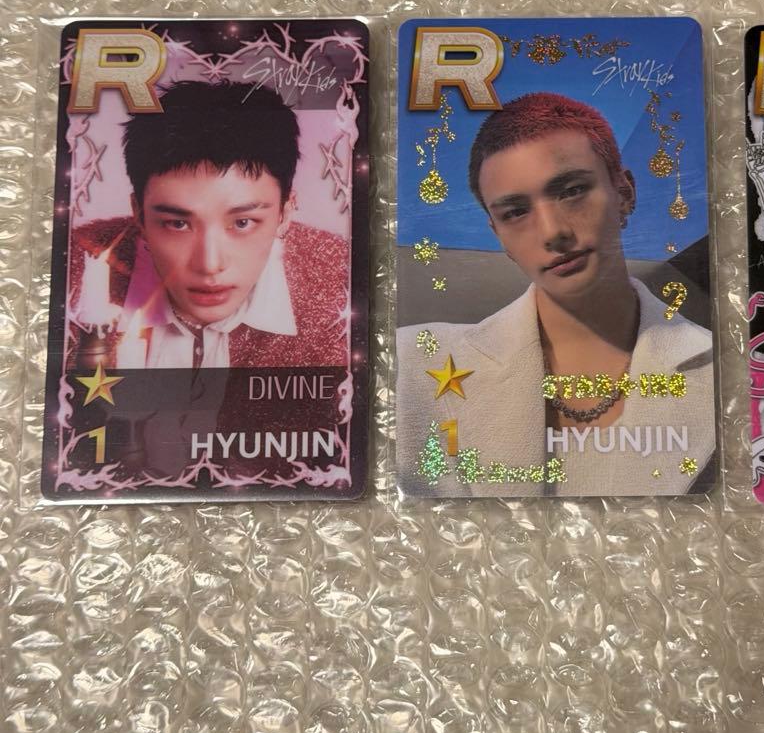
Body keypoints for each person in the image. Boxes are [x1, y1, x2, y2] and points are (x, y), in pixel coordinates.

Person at [396, 92, 716, 496]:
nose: (553, 232)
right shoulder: (412, 363)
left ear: (625, 193)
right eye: (515, 212)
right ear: (499, 235)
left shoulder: (722, 370)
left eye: (572, 191)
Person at [67, 81, 349, 370]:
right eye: (177, 224)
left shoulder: (342, 288)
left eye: (242, 223)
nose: (209, 265)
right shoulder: (70, 276)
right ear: (138, 215)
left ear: (284, 214)